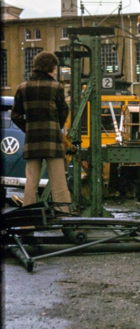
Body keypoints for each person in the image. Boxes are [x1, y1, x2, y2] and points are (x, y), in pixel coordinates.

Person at [11, 51, 72, 212]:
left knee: (30, 184)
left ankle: (28, 222)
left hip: (32, 141)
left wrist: (29, 128)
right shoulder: (56, 87)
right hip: (52, 141)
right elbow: (64, 111)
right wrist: (54, 126)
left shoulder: (22, 88)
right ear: (51, 68)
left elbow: (15, 115)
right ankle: (64, 218)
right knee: (59, 183)